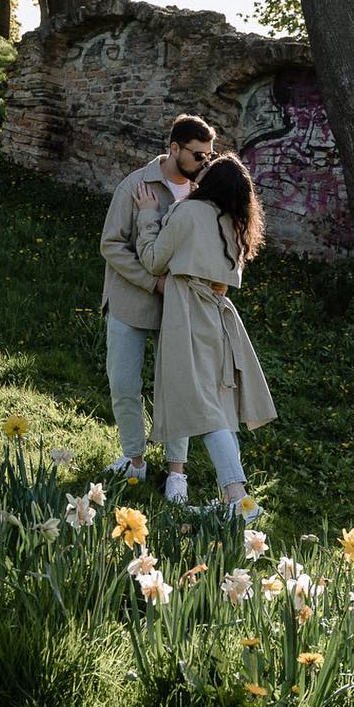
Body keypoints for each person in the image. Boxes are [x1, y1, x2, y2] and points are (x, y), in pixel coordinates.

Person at [133, 152, 275, 516]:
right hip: (219, 316)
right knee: (219, 410)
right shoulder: (234, 224)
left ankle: (239, 500)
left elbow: (152, 260)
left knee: (208, 412)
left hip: (189, 315)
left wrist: (149, 216)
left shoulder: (189, 213)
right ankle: (235, 499)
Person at [98, 114, 217, 503]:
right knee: (124, 384)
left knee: (176, 390)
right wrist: (154, 282)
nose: (204, 161)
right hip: (131, 300)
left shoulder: (205, 192)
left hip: (181, 307)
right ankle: (134, 459)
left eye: (209, 155)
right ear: (174, 149)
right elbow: (112, 245)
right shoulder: (135, 185)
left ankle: (176, 471)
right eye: (198, 154)